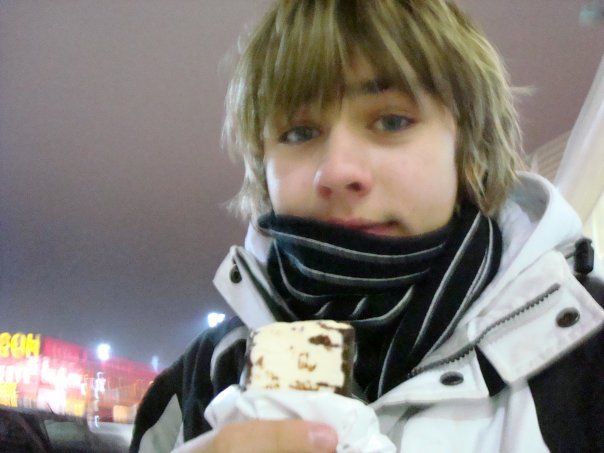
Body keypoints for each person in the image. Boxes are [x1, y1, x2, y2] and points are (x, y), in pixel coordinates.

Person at [130, 1, 604, 452]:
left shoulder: (588, 355)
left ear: (471, 152)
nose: (337, 171)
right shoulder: (191, 388)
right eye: (299, 132)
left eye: (392, 121)